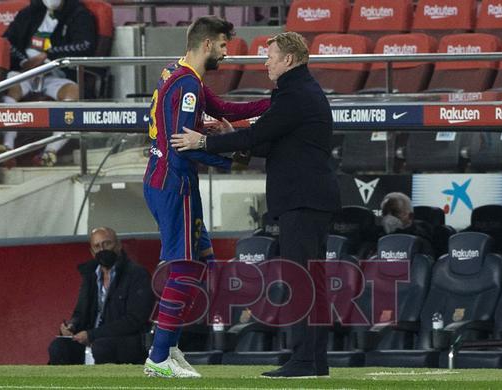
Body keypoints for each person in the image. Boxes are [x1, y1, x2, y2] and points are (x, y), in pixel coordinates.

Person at [171, 31, 342, 378]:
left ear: (289, 60)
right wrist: (226, 135)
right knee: (312, 281)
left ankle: (305, 360)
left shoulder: (295, 94)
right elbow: (268, 143)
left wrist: (203, 140)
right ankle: (314, 359)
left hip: (303, 199)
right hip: (311, 198)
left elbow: (258, 136)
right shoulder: (298, 92)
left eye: (271, 57)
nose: (265, 64)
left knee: (301, 281)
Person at [142, 15, 270, 378]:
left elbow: (225, 111)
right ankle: (158, 358)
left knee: (199, 265)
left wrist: (272, 103)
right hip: (174, 183)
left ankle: (169, 348)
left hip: (168, 179)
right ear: (208, 43)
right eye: (224, 45)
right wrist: (228, 160)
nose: (227, 53)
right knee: (184, 268)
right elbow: (184, 147)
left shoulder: (178, 74)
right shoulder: (188, 87)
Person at [0, 0, 96, 166]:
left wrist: (48, 57)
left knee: (74, 92)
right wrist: (23, 63)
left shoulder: (80, 14)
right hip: (25, 72)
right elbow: (7, 42)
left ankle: (50, 151)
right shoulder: (29, 12)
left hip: (56, 72)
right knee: (10, 88)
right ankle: (7, 147)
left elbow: (84, 46)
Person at [48, 227, 154, 365]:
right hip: (93, 338)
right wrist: (71, 325)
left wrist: (93, 335)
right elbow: (80, 313)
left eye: (107, 243)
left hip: (125, 341)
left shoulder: (137, 274)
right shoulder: (90, 276)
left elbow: (135, 319)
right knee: (59, 346)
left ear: (118, 245)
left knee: (101, 347)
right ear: (92, 252)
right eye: (97, 246)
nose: (102, 249)